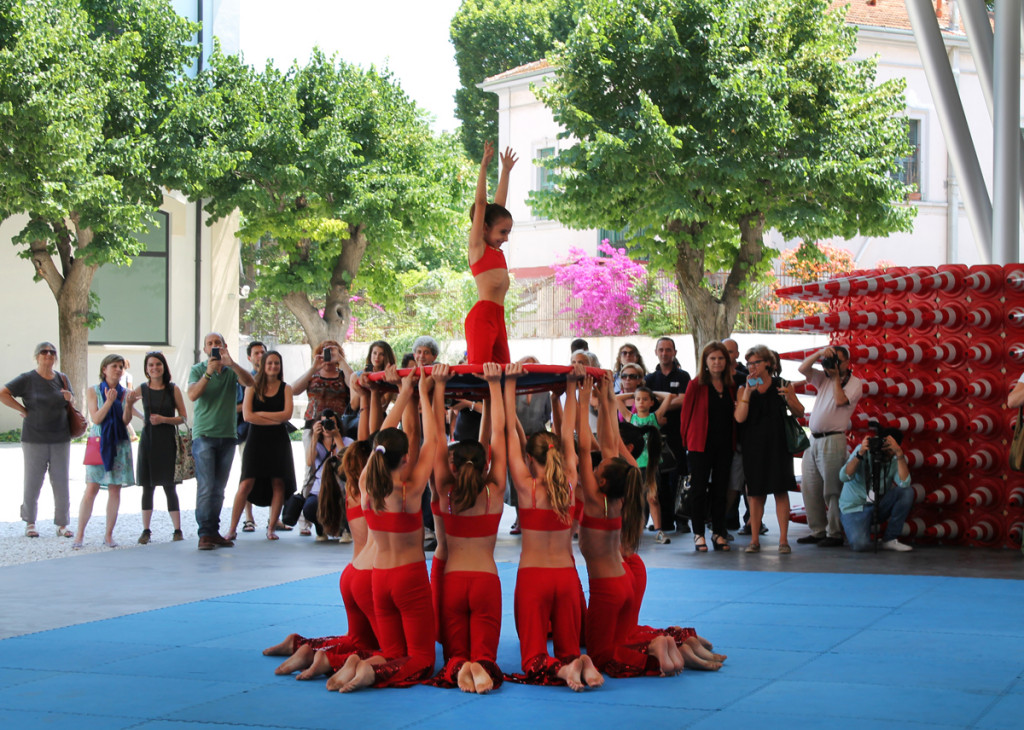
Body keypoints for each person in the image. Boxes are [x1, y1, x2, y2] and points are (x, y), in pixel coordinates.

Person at [335, 366, 447, 692]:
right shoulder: (407, 492)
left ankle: (358, 662)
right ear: (406, 457)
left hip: (379, 580)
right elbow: (436, 438)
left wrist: (404, 392)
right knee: (423, 660)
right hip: (408, 578)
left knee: (393, 653)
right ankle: (366, 671)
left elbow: (379, 440)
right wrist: (425, 392)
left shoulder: (366, 483)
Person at [577, 369, 682, 678]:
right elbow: (609, 439)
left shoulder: (601, 498)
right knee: (622, 635)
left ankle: (654, 651)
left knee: (603, 653)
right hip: (628, 568)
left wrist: (584, 399)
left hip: (616, 575)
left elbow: (594, 445)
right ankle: (667, 646)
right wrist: (608, 396)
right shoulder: (631, 478)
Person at [503, 362, 590, 690]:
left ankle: (567, 671)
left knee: (534, 660)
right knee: (569, 651)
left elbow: (507, 435)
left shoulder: (527, 488)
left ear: (530, 458)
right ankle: (579, 665)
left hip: (534, 577)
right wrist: (570, 388)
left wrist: (507, 385)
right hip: (567, 578)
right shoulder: (569, 480)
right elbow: (568, 434)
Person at [429, 362, 507, 693]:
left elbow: (435, 438)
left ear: (452, 465)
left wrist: (435, 390)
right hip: (486, 581)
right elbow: (498, 436)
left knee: (454, 657)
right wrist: (494, 388)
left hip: (453, 581)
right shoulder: (494, 493)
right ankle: (480, 669)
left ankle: (461, 669)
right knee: (485, 657)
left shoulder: (445, 492)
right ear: (485, 463)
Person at [187, 332, 255, 551]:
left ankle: (213, 531)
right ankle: (205, 534)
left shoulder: (230, 371)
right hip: (205, 436)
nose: (214, 346)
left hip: (227, 436)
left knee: (219, 488)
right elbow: (192, 395)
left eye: (218, 343)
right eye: (210, 344)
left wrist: (232, 363)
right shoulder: (198, 370)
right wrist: (207, 374)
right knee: (206, 486)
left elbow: (250, 382)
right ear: (205, 349)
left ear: (225, 346)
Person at [0, 342, 74, 539]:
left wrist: (69, 398)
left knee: (61, 482)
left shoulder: (62, 378)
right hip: (34, 437)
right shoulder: (27, 379)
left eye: (52, 352)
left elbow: (72, 403)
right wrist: (22, 410)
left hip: (60, 437)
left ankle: (62, 524)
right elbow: (3, 393)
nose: (48, 355)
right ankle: (30, 523)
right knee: (33, 481)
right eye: (44, 352)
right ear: (37, 356)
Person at [734, 345, 803, 553]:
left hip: (778, 445)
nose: (752, 367)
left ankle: (783, 540)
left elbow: (799, 411)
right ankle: (754, 540)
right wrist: (747, 391)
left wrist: (789, 397)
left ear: (768, 364)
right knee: (755, 494)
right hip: (753, 446)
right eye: (749, 364)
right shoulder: (743, 388)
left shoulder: (783, 384)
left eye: (756, 363)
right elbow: (739, 417)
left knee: (780, 490)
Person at [797, 344, 862, 548]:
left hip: (833, 439)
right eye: (831, 360)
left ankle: (834, 533)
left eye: (837, 360)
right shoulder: (822, 377)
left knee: (833, 488)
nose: (832, 364)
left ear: (847, 363)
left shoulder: (854, 383)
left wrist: (835, 377)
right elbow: (803, 370)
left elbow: (841, 401)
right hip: (813, 439)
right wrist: (819, 353)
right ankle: (817, 531)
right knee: (810, 487)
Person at [228, 351, 295, 541]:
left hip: (278, 441)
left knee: (278, 482)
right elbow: (248, 416)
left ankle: (271, 528)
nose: (273, 366)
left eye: (277, 363)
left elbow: (287, 415)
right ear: (263, 365)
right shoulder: (252, 386)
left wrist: (263, 416)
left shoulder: (286, 388)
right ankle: (232, 528)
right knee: (246, 483)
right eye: (270, 363)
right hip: (256, 439)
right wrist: (275, 418)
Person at [124, 351, 188, 544]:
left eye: (158, 364)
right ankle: (146, 530)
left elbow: (183, 417)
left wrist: (164, 419)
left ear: (164, 366)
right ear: (146, 369)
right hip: (149, 441)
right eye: (150, 365)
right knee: (147, 486)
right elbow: (126, 417)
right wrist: (130, 407)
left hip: (167, 440)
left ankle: (177, 529)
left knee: (170, 486)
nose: (154, 368)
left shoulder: (173, 389)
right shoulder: (142, 388)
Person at [679, 341, 737, 552]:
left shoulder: (731, 385)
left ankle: (718, 533)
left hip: (724, 446)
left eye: (721, 358)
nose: (717, 362)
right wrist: (686, 444)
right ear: (705, 361)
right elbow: (685, 417)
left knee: (721, 490)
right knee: (698, 490)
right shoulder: (695, 385)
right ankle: (698, 534)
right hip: (699, 445)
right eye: (712, 358)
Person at [293, 340, 353, 537]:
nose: (328, 356)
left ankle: (341, 516)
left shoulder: (343, 374)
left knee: (339, 468)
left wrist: (341, 362)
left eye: (332, 352)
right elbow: (293, 389)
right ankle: (305, 521)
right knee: (310, 469)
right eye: (324, 352)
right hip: (313, 426)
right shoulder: (314, 374)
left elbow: (355, 385)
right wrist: (314, 368)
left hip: (337, 426)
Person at [74, 354, 134, 548]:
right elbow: (96, 419)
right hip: (99, 441)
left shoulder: (125, 392)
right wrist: (109, 401)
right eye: (114, 366)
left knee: (115, 489)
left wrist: (130, 404)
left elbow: (125, 421)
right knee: (91, 488)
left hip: (119, 442)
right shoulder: (94, 391)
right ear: (104, 369)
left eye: (121, 367)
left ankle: (108, 535)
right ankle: (80, 534)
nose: (118, 369)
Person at [466, 141, 517, 365]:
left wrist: (505, 172)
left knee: (503, 373)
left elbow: (499, 207)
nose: (506, 238)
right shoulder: (478, 248)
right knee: (481, 374)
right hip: (483, 317)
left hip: (499, 317)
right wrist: (484, 166)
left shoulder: (494, 249)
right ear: (484, 227)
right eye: (503, 232)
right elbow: (481, 204)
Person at [838, 428, 914, 552]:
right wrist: (860, 453)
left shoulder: (894, 459)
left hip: (876, 505)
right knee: (861, 545)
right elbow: (843, 476)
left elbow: (905, 484)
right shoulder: (863, 451)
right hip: (855, 507)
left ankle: (890, 539)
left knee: (906, 492)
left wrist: (899, 454)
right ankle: (861, 528)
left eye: (890, 448)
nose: (885, 451)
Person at [644, 337, 691, 535]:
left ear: (674, 352)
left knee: (680, 477)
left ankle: (681, 519)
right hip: (655, 437)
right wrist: (670, 400)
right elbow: (646, 403)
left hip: (677, 435)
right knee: (658, 479)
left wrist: (659, 406)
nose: (665, 353)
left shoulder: (683, 376)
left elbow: (684, 400)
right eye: (661, 350)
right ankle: (662, 521)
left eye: (668, 350)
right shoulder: (649, 379)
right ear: (656, 352)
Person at [616, 385, 671, 544]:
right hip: (633, 464)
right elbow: (616, 399)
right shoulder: (629, 417)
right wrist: (634, 393)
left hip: (651, 465)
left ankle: (659, 530)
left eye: (645, 399)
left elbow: (669, 397)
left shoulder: (655, 417)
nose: (641, 402)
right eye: (638, 399)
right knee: (631, 497)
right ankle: (630, 529)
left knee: (652, 498)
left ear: (651, 402)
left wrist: (651, 392)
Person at [237, 340, 266, 534]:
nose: (260, 356)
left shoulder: (274, 377)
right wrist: (254, 402)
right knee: (247, 475)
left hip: (270, 431)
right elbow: (237, 406)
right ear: (249, 357)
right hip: (248, 431)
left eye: (262, 352)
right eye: (256, 353)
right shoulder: (243, 379)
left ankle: (275, 519)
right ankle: (248, 518)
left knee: (274, 474)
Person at [301, 412, 341, 541]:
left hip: (341, 488)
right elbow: (309, 462)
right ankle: (320, 527)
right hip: (319, 489)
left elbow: (347, 461)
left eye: (331, 423)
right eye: (324, 423)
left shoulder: (346, 441)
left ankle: (344, 528)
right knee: (309, 507)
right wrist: (314, 437)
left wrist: (337, 436)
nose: (327, 426)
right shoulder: (317, 444)